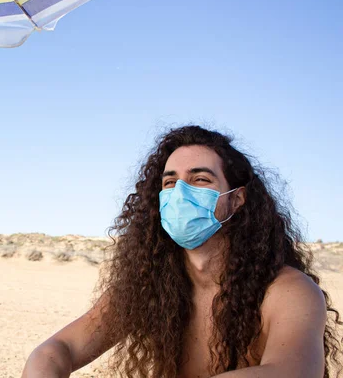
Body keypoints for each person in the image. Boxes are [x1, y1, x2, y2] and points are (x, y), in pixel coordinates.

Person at [21, 125, 342, 378]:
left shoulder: (288, 291)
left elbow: (290, 372)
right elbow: (59, 348)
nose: (180, 193)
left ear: (236, 199)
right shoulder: (149, 283)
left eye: (200, 179)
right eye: (170, 183)